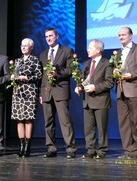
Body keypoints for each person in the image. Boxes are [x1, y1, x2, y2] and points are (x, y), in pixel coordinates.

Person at [39, 28, 77, 159]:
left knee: (65, 121)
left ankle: (71, 148)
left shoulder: (66, 51)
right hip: (46, 92)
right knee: (48, 122)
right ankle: (51, 148)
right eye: (46, 36)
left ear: (57, 36)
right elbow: (42, 76)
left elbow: (71, 70)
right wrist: (40, 93)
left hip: (60, 90)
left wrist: (58, 73)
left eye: (50, 36)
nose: (48, 38)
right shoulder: (43, 54)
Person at [75, 39, 114, 159]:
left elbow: (109, 82)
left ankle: (102, 151)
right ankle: (90, 150)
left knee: (101, 128)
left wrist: (95, 87)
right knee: (88, 128)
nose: (88, 50)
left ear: (98, 50)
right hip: (87, 101)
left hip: (100, 100)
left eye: (90, 48)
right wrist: (79, 87)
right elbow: (83, 79)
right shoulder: (87, 63)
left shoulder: (106, 63)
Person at [116, 27, 137, 160]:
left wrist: (132, 74)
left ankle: (136, 152)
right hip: (121, 90)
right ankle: (128, 151)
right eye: (119, 35)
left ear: (131, 36)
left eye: (123, 35)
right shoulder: (118, 52)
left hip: (135, 90)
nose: (121, 37)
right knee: (124, 123)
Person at [11, 38, 42, 157]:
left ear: (31, 47)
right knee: (19, 120)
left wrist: (27, 78)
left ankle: (27, 148)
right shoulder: (17, 61)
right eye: (22, 45)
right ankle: (21, 147)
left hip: (30, 92)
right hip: (18, 92)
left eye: (26, 45)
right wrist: (13, 77)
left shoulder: (35, 60)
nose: (23, 47)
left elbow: (39, 75)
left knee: (28, 119)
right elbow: (13, 74)